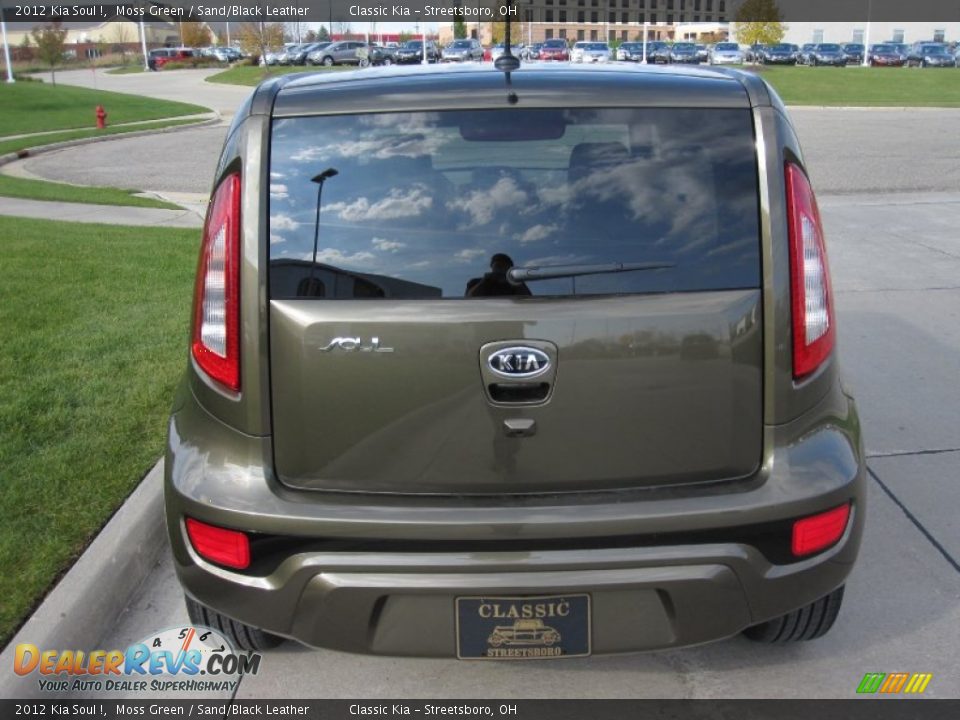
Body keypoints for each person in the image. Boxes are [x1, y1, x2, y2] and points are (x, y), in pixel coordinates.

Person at [465, 253, 532, 297]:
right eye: (498, 266)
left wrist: (515, 281)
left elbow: (528, 301)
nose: (501, 269)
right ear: (492, 266)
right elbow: (469, 299)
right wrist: (484, 281)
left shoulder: (516, 284)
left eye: (505, 267)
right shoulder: (475, 282)